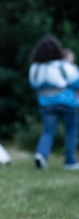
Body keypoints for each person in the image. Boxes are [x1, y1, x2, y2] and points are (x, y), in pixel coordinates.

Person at [28, 35, 79, 170]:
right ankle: (70, 161)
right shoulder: (64, 65)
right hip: (67, 103)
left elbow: (34, 86)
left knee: (48, 132)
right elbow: (76, 82)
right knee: (71, 131)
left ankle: (41, 155)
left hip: (46, 104)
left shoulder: (35, 68)